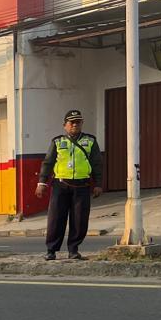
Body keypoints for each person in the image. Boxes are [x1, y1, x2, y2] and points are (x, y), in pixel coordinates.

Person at [35, 109, 103, 261]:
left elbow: (97, 164)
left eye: (78, 122)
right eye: (71, 122)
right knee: (56, 219)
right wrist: (42, 182)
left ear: (82, 123)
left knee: (79, 220)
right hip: (60, 186)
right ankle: (51, 250)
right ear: (65, 125)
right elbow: (48, 163)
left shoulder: (90, 141)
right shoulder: (57, 142)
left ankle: (73, 250)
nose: (75, 125)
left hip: (82, 186)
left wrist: (98, 184)